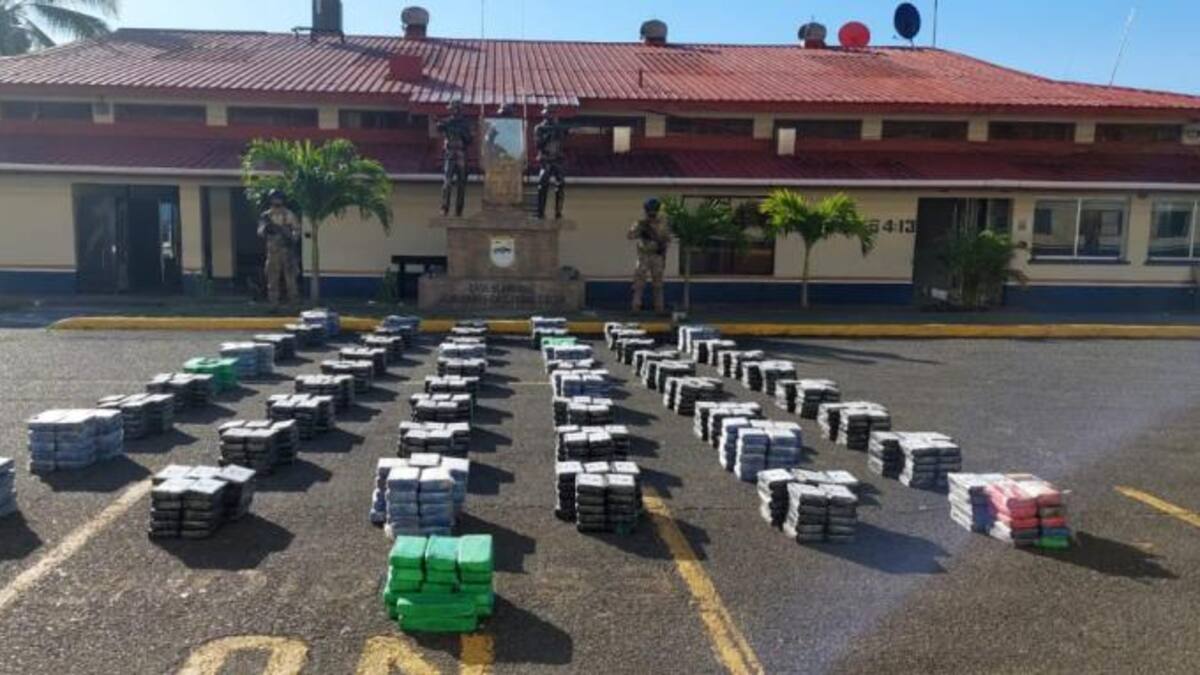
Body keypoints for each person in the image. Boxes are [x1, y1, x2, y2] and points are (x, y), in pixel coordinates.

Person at [628, 198, 671, 314]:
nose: (652, 213)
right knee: (639, 284)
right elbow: (630, 235)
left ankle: (659, 308)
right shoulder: (641, 223)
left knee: (658, 284)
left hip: (657, 256)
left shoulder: (663, 223)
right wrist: (641, 230)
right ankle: (635, 307)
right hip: (644, 255)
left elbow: (667, 239)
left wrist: (663, 251)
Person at [258, 189, 301, 306]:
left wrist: (291, 237)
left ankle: (294, 303)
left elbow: (296, 230)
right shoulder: (266, 216)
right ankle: (273, 304)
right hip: (272, 251)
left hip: (287, 251)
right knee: (272, 280)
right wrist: (267, 229)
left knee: (291, 280)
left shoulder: (289, 214)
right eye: (274, 199)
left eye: (278, 199)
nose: (276, 201)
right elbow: (260, 232)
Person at [437, 100, 474, 217]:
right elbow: (439, 127)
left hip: (461, 154)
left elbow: (469, 140)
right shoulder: (447, 122)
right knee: (447, 182)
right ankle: (444, 208)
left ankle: (459, 210)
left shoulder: (465, 124)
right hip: (450, 154)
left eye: (453, 109)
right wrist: (442, 124)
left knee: (461, 184)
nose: (452, 111)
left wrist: (462, 133)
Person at [534, 105, 569, 219]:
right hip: (545, 160)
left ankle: (558, 212)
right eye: (549, 113)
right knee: (542, 185)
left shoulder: (558, 127)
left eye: (552, 113)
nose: (550, 116)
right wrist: (548, 136)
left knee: (561, 184)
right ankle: (540, 212)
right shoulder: (539, 128)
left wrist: (559, 132)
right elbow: (538, 145)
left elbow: (562, 142)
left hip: (557, 160)